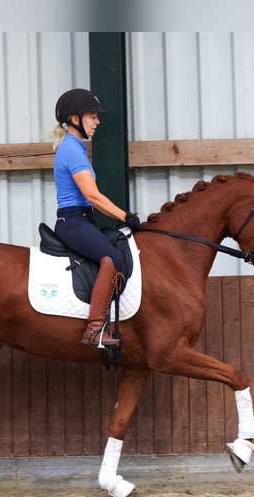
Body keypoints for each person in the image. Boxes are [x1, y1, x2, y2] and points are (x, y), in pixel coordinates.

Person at [51, 88, 141, 348]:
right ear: (76, 119)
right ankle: (94, 330)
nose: (98, 122)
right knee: (111, 259)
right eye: (92, 116)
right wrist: (127, 216)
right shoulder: (71, 150)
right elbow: (93, 196)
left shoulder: (76, 148)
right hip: (73, 221)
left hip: (83, 220)